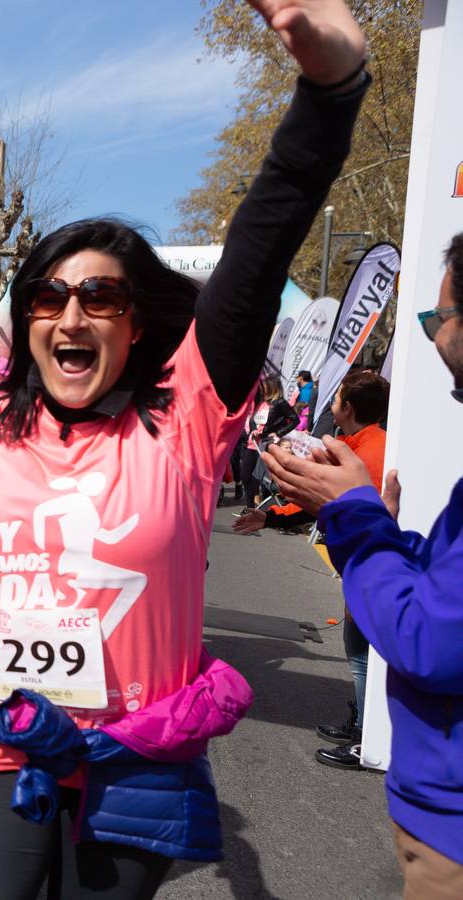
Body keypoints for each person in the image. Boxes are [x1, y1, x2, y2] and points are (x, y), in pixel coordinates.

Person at [0, 7, 368, 897]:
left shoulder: (186, 415)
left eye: (100, 295)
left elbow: (265, 236)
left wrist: (330, 89)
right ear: (26, 322)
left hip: (134, 764)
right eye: (49, 295)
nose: (70, 314)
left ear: (137, 325)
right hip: (2, 742)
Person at [262, 232, 463, 898]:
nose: (434, 341)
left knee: (354, 656)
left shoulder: (367, 448)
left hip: (451, 829)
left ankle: (354, 724)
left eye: (438, 319)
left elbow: (426, 639)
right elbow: (438, 598)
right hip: (437, 812)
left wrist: (354, 513)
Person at [236, 370, 388, 770]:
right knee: (360, 649)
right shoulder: (358, 446)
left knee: (360, 651)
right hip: (363, 562)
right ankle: (361, 721)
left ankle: (367, 737)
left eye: (336, 398)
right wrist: (269, 517)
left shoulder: (364, 453)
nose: (331, 404)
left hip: (368, 565)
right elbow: (316, 499)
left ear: (348, 408)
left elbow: (330, 501)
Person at [239, 375, 298, 507]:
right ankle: (250, 508)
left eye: (265, 387)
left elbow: (295, 420)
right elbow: (254, 421)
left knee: (264, 478)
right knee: (246, 476)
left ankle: (267, 509)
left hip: (267, 444)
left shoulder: (280, 403)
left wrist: (278, 433)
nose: (262, 389)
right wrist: (254, 430)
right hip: (251, 445)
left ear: (272, 387)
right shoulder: (260, 401)